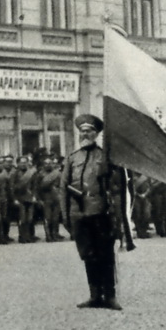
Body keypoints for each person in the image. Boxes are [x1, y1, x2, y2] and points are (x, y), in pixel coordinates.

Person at [60, 114, 122, 311]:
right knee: (88, 255)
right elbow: (64, 188)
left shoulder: (105, 157)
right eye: (82, 131)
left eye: (89, 131)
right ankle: (95, 295)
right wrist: (66, 215)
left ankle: (110, 296)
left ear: (96, 134)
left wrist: (116, 215)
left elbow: (116, 187)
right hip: (79, 214)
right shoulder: (72, 159)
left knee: (106, 255)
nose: (85, 134)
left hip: (101, 213)